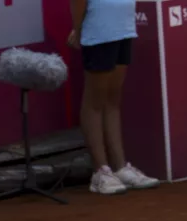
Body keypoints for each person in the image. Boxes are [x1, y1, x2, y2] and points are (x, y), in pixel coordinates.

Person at [68, 0, 159, 195]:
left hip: (124, 28)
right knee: (94, 102)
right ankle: (100, 171)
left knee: (112, 101)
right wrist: (78, 29)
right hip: (98, 31)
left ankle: (120, 168)